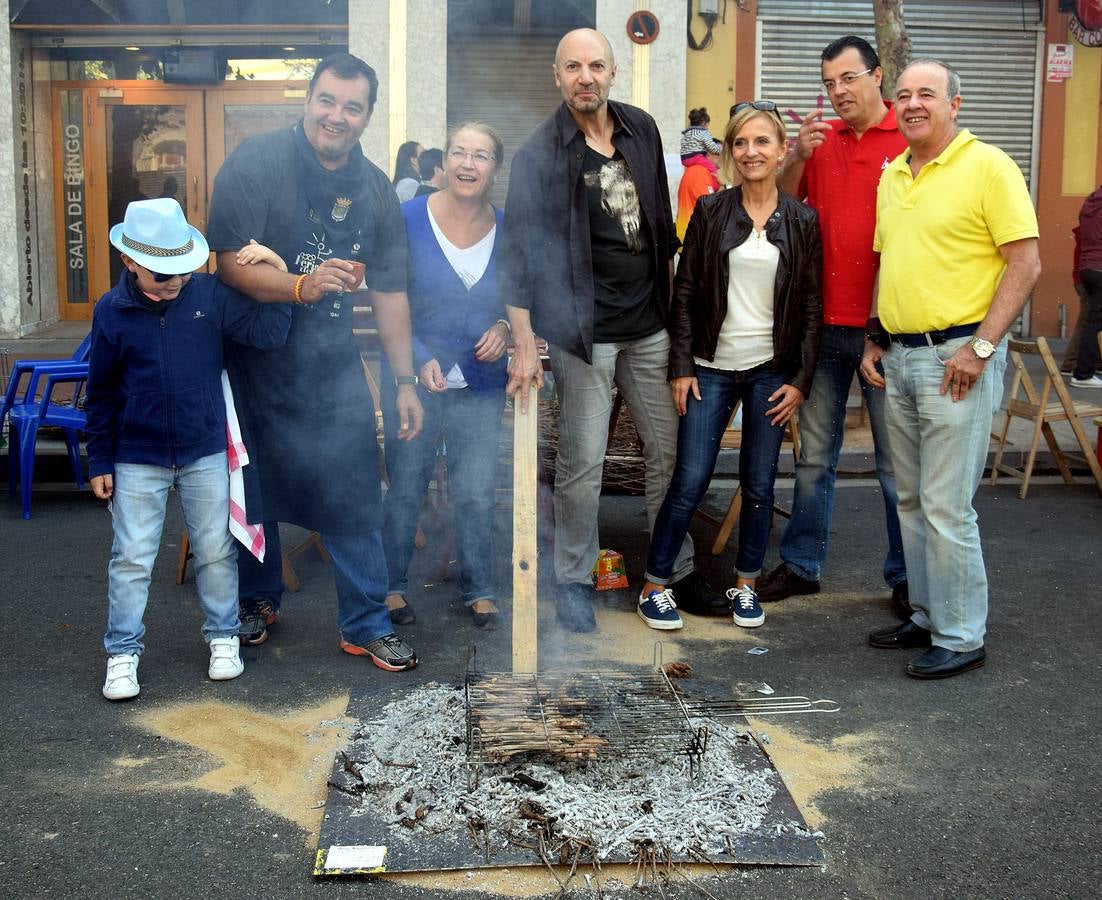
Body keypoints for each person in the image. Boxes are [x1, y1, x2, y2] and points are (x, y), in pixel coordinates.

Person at [205, 53, 425, 672]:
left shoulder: (376, 187)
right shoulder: (258, 161)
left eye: (352, 107)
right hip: (250, 360)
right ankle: (256, 601)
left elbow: (390, 291)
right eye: (327, 101)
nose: (337, 116)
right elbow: (227, 263)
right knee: (253, 486)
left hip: (331, 366)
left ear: (367, 116)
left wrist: (404, 380)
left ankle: (366, 622)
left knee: (353, 488)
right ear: (309, 99)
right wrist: (301, 284)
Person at [501, 28, 717, 634]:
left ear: (613, 70)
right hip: (582, 332)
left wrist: (679, 324)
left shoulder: (642, 129)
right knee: (581, 464)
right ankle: (573, 579)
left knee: (669, 454)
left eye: (596, 65)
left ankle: (671, 571)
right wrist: (523, 341)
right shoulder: (538, 154)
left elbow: (661, 233)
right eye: (573, 67)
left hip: (650, 326)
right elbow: (515, 258)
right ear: (557, 75)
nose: (585, 76)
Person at [860, 59, 1040, 679]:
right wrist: (876, 336)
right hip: (902, 356)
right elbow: (891, 261)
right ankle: (928, 615)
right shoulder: (893, 176)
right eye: (903, 94)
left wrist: (982, 348)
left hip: (957, 359)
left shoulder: (988, 166)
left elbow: (1025, 264)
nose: (912, 104)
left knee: (946, 505)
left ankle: (963, 635)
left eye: (926, 94)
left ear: (954, 104)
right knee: (909, 498)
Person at [86, 198, 292, 700]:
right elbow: (103, 389)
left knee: (217, 550)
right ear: (130, 262)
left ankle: (223, 638)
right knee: (131, 556)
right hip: (136, 453)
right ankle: (122, 653)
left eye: (182, 270)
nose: (174, 282)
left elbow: (270, 333)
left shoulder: (209, 295)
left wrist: (280, 273)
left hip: (203, 449)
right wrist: (99, 459)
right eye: (162, 273)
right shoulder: (110, 311)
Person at [637, 101, 822, 631]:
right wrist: (681, 365)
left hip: (771, 370)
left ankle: (746, 584)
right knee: (690, 478)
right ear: (729, 153)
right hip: (710, 368)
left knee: (760, 483)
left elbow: (812, 305)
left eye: (762, 141)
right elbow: (687, 289)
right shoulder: (712, 212)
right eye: (740, 143)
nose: (751, 152)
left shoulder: (803, 220)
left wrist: (801, 381)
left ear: (781, 149)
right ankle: (656, 585)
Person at [758, 35, 910, 616]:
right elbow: (780, 206)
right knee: (814, 457)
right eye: (828, 83)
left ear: (877, 76)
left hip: (883, 331)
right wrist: (795, 153)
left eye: (847, 78)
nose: (838, 91)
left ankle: (905, 576)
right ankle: (801, 566)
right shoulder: (819, 145)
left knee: (896, 465)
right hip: (822, 327)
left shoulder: (909, 140)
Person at [381, 123, 509, 629]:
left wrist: (504, 326)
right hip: (416, 379)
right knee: (407, 484)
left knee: (476, 488)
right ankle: (390, 587)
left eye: (481, 155)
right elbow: (389, 297)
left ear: (495, 169)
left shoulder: (508, 225)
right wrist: (412, 360)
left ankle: (479, 588)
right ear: (443, 162)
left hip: (481, 381)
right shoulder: (407, 218)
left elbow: (522, 298)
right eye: (459, 152)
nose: (468, 163)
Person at [1068, 185, 1102, 388]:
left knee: (1091, 322)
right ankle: (1083, 374)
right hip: (1100, 268)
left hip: (1087, 268)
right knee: (1094, 324)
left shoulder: (1092, 201)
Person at [675, 149, 720, 243]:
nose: (721, 156)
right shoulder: (699, 172)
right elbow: (710, 207)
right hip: (693, 238)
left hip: (692, 235)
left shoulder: (700, 171)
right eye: (717, 152)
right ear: (708, 154)